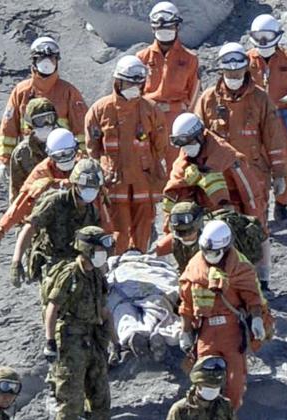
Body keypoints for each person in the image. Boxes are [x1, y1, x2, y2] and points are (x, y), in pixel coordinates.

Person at [194, 42, 285, 286]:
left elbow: (274, 139)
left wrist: (279, 174)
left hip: (254, 175)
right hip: (219, 178)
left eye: (238, 72)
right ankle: (225, 279)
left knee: (257, 226)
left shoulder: (261, 100)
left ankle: (261, 279)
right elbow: (196, 139)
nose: (234, 77)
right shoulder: (208, 100)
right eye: (229, 73)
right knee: (220, 225)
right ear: (221, 71)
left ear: (246, 69)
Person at [43, 227, 117, 420]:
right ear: (86, 250)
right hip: (71, 342)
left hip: (94, 340)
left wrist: (116, 341)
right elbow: (52, 308)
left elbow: (104, 310)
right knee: (71, 399)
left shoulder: (96, 275)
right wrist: (49, 342)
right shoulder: (69, 275)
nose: (102, 254)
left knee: (100, 398)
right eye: (98, 250)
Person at [178, 220, 268, 409]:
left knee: (235, 380)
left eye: (214, 252)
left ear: (226, 247)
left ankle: (228, 417)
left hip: (231, 330)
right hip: (205, 331)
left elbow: (252, 297)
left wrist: (257, 319)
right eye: (206, 251)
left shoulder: (241, 267)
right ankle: (203, 415)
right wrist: (185, 331)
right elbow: (186, 302)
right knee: (204, 376)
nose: (210, 256)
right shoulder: (193, 269)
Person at [85, 55, 168, 254]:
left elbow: (160, 146)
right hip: (114, 182)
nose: (134, 86)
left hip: (143, 181)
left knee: (143, 229)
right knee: (116, 231)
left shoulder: (151, 110)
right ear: (118, 81)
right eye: (129, 82)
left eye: (138, 83)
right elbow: (93, 149)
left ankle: (139, 260)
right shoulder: (100, 110)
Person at [3, 159, 113, 294]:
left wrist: (101, 277)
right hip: (52, 263)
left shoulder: (92, 212)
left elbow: (97, 246)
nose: (90, 191)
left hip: (77, 264)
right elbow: (29, 227)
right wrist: (16, 261)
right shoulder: (55, 202)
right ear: (75, 183)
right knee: (55, 303)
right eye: (85, 186)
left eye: (94, 187)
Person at [246, 14, 287, 222]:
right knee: (255, 163)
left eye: (268, 35)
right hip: (255, 121)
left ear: (277, 35)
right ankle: (260, 208)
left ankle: (282, 204)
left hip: (283, 118)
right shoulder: (246, 60)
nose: (263, 41)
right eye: (259, 36)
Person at [0, 36, 88, 179]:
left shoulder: (68, 92)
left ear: (57, 61)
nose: (47, 63)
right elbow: (8, 128)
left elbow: (82, 129)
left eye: (51, 59)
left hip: (61, 160)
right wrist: (5, 160)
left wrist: (82, 160)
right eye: (41, 58)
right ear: (33, 61)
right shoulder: (21, 92)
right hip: (28, 159)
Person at [0, 129, 81, 259]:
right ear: (50, 155)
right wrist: (1, 231)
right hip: (53, 226)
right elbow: (22, 202)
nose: (64, 159)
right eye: (59, 156)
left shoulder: (84, 165)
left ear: (76, 149)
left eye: (68, 154)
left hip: (82, 221)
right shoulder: (41, 173)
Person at [161, 113, 264, 224]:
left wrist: (258, 228)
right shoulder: (184, 158)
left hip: (228, 216)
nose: (186, 148)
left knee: (211, 178)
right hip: (198, 216)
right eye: (182, 145)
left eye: (189, 142)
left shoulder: (227, 157)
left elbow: (251, 195)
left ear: (200, 136)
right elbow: (173, 192)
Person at [136, 2, 200, 166]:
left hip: (177, 120)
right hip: (148, 118)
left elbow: (193, 97)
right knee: (147, 165)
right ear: (152, 28)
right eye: (159, 26)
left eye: (169, 26)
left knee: (177, 165)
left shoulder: (189, 59)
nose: (165, 31)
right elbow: (135, 93)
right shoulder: (141, 58)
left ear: (177, 26)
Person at [8, 98, 58, 203]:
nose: (46, 124)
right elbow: (16, 190)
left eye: (50, 118)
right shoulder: (22, 153)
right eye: (40, 121)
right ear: (31, 123)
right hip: (36, 208)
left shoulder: (65, 143)